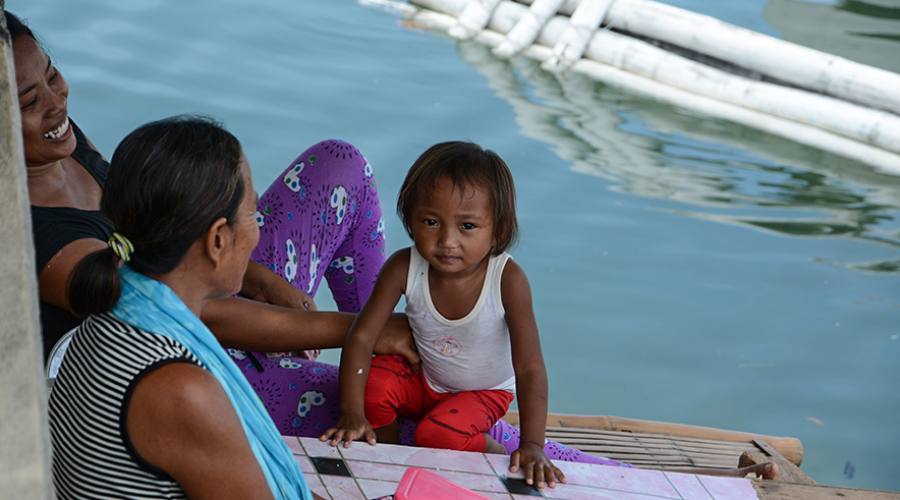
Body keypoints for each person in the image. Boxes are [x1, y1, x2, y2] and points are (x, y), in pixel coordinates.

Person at [7, 8, 614, 467]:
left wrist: (269, 277)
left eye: (54, 76)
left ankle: (398, 349)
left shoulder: (61, 141)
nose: (56, 100)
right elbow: (186, 313)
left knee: (339, 164)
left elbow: (165, 242)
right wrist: (361, 333)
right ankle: (455, 410)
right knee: (366, 410)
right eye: (31, 101)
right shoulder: (34, 238)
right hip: (197, 357)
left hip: (211, 276)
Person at [48, 115, 318, 499]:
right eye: (251, 214)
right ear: (218, 240)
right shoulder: (180, 389)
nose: (255, 234)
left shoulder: (111, 311)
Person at [321, 142, 567, 489]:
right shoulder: (404, 267)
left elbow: (529, 367)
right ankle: (386, 452)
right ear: (410, 220)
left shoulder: (507, 280)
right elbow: (361, 337)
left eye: (467, 226)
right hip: (424, 379)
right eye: (431, 222)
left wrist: (532, 445)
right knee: (372, 386)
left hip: (484, 392)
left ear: (497, 230)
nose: (447, 241)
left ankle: (489, 446)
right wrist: (352, 413)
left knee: (438, 435)